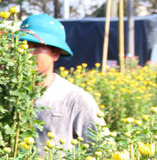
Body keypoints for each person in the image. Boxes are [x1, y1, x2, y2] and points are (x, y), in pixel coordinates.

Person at [18, 14, 101, 152]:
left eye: (36, 47)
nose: (27, 53)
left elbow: (101, 149)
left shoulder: (76, 100)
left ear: (55, 54)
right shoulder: (7, 95)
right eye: (23, 46)